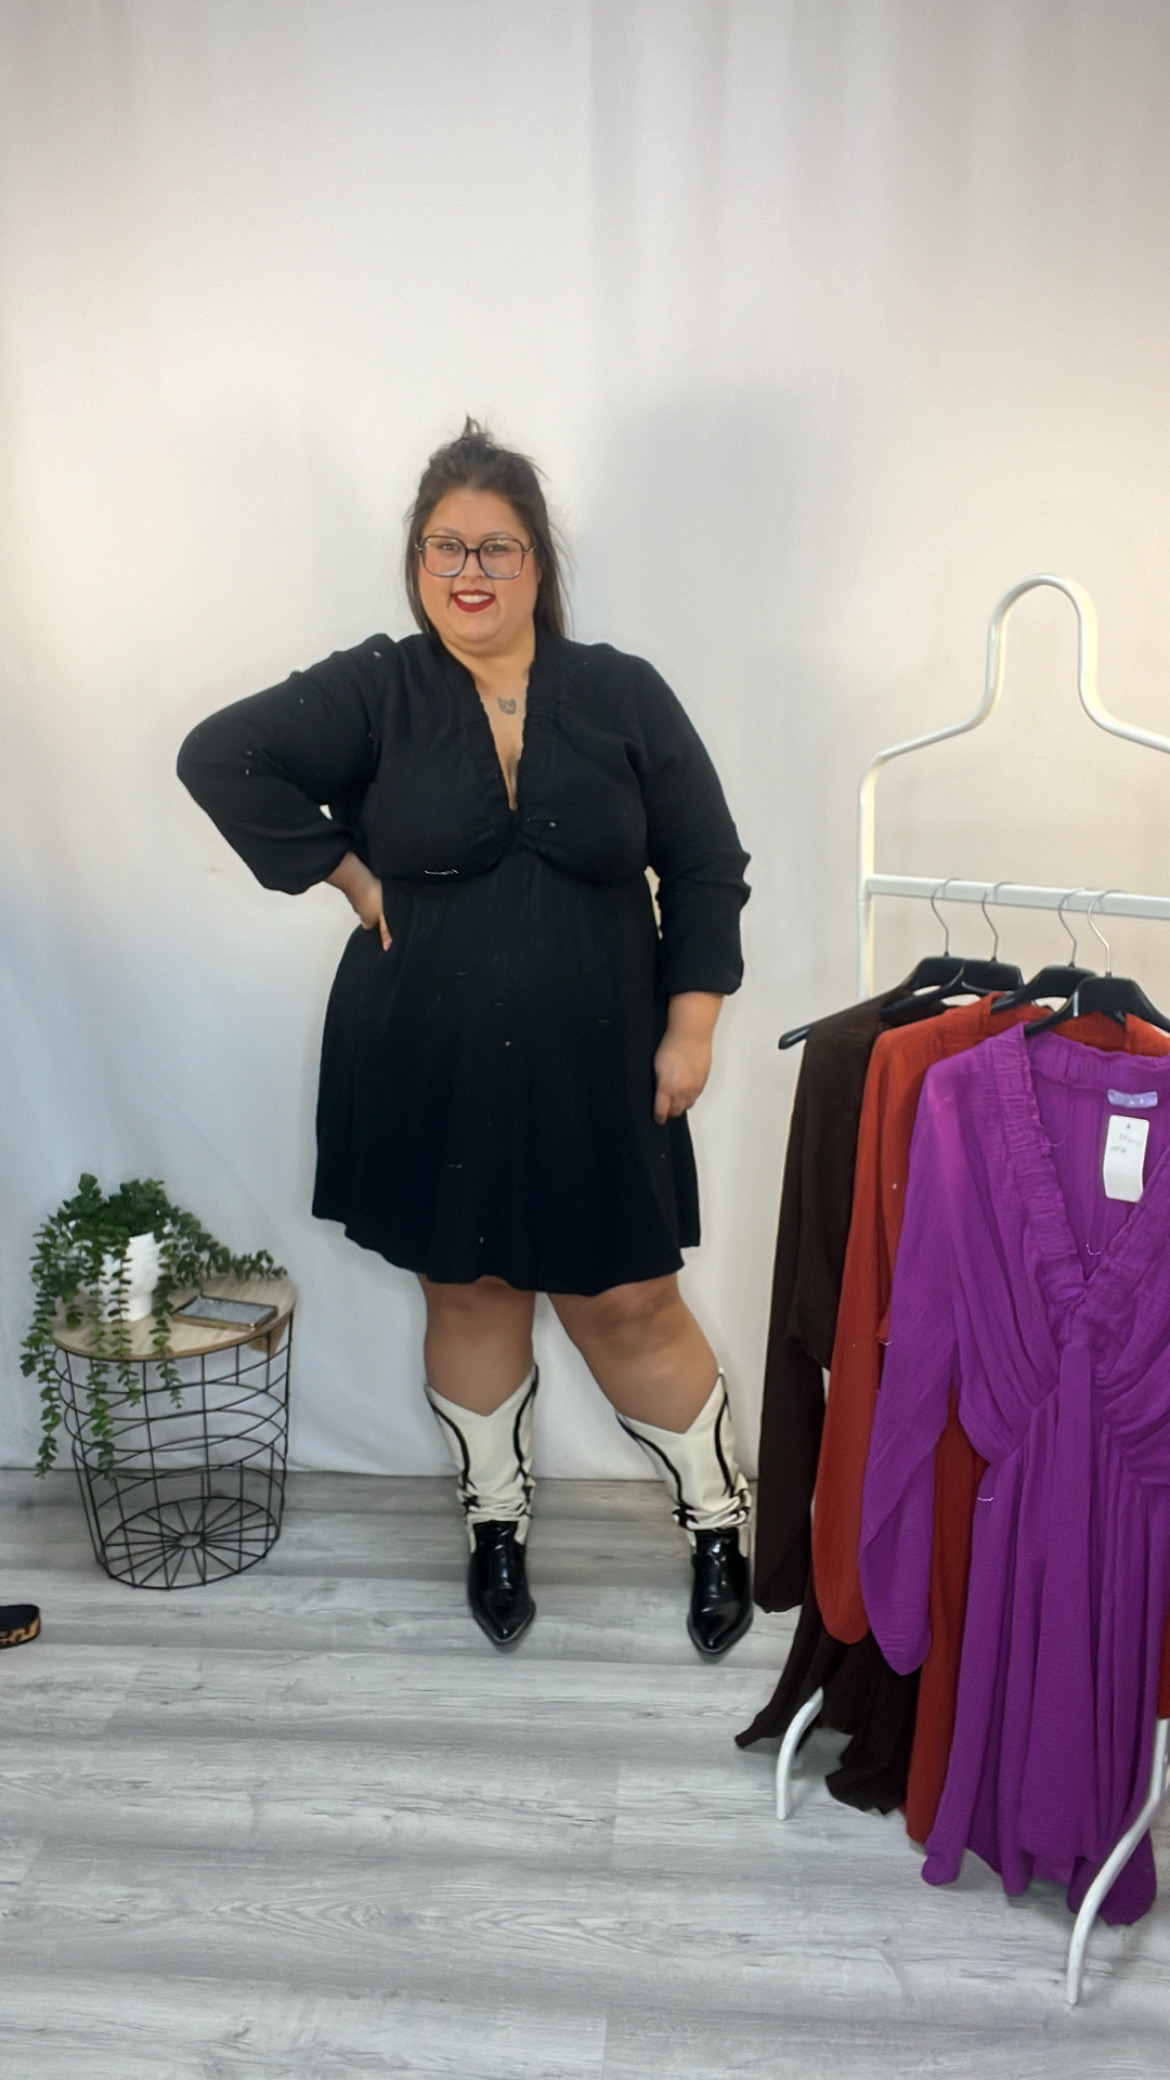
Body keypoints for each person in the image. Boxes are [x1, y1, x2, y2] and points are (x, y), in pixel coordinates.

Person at [178, 420, 753, 1655]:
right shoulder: (376, 688)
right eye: (445, 546)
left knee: (630, 1300)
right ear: (417, 562)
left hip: (602, 1063)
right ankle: (495, 1519)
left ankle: (718, 1519)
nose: (469, 570)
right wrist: (351, 876)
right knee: (471, 1288)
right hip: (423, 1057)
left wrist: (692, 1024)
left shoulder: (623, 692)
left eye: (496, 546)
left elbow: (706, 865)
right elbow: (219, 755)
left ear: (538, 560)